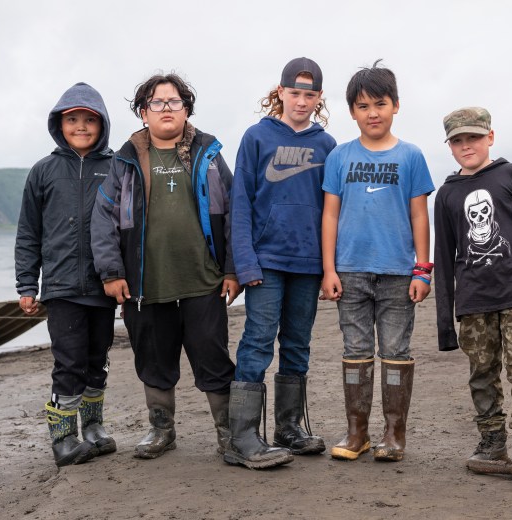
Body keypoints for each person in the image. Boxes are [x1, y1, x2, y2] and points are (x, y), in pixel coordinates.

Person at [91, 72, 239, 460]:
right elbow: (103, 217)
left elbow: (235, 213)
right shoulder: (125, 160)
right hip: (144, 284)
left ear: (186, 109)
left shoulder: (208, 152)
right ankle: (162, 430)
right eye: (157, 103)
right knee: (153, 359)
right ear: (144, 113)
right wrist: (112, 272)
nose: (167, 108)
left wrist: (232, 269)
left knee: (213, 356)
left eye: (175, 102)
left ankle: (227, 433)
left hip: (204, 280)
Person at [224, 57, 337, 470]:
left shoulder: (327, 146)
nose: (302, 101)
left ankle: (289, 428)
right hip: (265, 262)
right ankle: (242, 438)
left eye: (310, 95)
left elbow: (332, 212)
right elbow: (240, 206)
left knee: (297, 345)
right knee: (257, 342)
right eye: (295, 93)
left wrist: (330, 268)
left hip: (308, 264)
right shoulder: (256, 137)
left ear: (319, 97)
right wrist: (245, 264)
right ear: (280, 92)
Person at [321, 61, 434, 462]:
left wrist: (423, 268)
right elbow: (330, 214)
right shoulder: (339, 157)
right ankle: (357, 433)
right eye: (363, 105)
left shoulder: (412, 156)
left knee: (396, 352)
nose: (373, 113)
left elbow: (420, 215)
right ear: (352, 111)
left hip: (398, 274)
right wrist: (329, 269)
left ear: (396, 106)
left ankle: (394, 434)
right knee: (355, 349)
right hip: (350, 271)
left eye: (380, 104)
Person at [433, 107, 512, 464]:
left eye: (473, 137)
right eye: (457, 140)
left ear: (490, 136)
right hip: (473, 300)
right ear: (450, 146)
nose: (466, 146)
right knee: (482, 373)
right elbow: (443, 257)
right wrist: (445, 323)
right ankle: (491, 440)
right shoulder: (446, 194)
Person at [15, 82, 117, 467]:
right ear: (60, 124)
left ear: (102, 124)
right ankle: (63, 439)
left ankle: (93, 428)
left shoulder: (114, 167)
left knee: (97, 359)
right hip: (60, 288)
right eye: (72, 119)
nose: (81, 126)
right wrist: (27, 284)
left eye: (89, 120)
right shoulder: (44, 171)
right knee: (69, 362)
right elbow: (28, 233)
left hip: (104, 286)